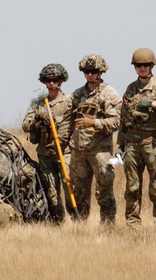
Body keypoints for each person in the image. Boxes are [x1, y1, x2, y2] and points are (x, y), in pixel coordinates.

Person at [119, 48, 156, 228]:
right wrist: (120, 146)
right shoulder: (130, 89)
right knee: (132, 187)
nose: (142, 68)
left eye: (146, 65)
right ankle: (132, 225)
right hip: (132, 144)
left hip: (154, 144)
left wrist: (154, 105)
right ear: (135, 67)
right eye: (139, 65)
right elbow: (124, 119)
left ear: (152, 65)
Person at [68, 54, 122, 225]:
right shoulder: (77, 94)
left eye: (93, 71)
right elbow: (67, 120)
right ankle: (79, 228)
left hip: (100, 151)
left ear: (101, 72)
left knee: (104, 190)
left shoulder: (109, 94)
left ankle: (107, 227)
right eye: (87, 71)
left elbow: (117, 121)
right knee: (78, 192)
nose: (90, 75)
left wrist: (94, 122)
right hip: (78, 151)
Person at [21, 63, 74, 223]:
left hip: (65, 153)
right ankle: (58, 223)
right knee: (52, 192)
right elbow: (25, 125)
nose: (52, 83)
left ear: (61, 81)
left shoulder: (69, 102)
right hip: (45, 155)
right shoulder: (39, 105)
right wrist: (37, 120)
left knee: (69, 187)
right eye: (48, 80)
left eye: (55, 79)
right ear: (44, 82)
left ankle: (77, 222)